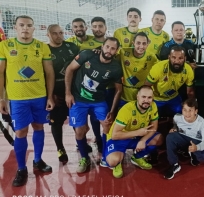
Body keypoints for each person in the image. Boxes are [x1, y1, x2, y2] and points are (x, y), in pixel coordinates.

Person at [0, 15, 55, 187]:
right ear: (15, 28)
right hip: (17, 99)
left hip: (39, 97)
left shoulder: (42, 47)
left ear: (34, 28)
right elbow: (0, 73)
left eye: (29, 25)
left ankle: (37, 160)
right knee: (20, 133)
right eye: (21, 25)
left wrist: (50, 96)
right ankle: (22, 168)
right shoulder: (5, 46)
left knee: (39, 127)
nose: (25, 28)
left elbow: (49, 73)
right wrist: (1, 98)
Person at [65, 37, 123, 173]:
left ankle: (105, 155)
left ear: (116, 51)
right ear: (102, 46)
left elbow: (119, 90)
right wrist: (68, 93)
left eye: (113, 48)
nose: (109, 51)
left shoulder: (115, 67)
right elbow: (69, 69)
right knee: (80, 131)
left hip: (98, 101)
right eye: (107, 47)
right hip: (78, 100)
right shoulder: (87, 54)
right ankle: (84, 157)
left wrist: (113, 111)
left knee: (107, 125)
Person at [105, 85, 163, 178]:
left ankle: (137, 157)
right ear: (137, 97)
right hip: (120, 138)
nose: (146, 100)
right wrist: (138, 133)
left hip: (137, 136)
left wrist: (142, 140)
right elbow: (115, 135)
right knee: (113, 161)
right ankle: (118, 162)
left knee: (159, 139)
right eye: (143, 97)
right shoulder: (127, 110)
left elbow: (154, 128)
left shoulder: (153, 106)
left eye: (149, 97)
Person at [47, 24, 79, 164]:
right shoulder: (45, 50)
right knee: (56, 123)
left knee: (76, 121)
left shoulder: (72, 47)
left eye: (60, 32)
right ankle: (60, 148)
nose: (59, 35)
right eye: (54, 33)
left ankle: (80, 142)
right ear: (48, 34)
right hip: (56, 94)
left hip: (73, 93)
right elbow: (44, 74)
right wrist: (50, 94)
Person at [164, 98, 204, 179]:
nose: (187, 113)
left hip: (196, 141)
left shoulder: (201, 122)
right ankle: (174, 164)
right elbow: (175, 124)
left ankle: (193, 153)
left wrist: (197, 147)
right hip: (183, 138)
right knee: (170, 137)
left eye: (190, 110)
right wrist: (174, 128)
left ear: (196, 111)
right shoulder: (177, 117)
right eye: (184, 110)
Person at [145, 46, 195, 117]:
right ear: (169, 57)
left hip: (173, 97)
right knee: (150, 116)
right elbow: (146, 86)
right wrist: (148, 101)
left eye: (180, 58)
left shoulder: (188, 70)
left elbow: (190, 92)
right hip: (156, 98)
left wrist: (192, 106)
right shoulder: (158, 68)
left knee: (184, 114)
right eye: (173, 57)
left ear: (185, 58)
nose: (177, 61)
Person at [119, 32, 158, 106]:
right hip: (125, 97)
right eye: (138, 43)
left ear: (147, 44)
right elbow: (109, 52)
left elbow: (160, 70)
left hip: (143, 99)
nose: (141, 46)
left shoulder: (152, 57)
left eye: (144, 43)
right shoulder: (123, 52)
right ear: (133, 43)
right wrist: (98, 51)